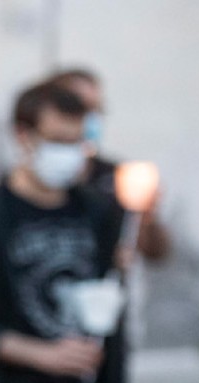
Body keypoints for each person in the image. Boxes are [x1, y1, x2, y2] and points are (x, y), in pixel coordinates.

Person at [0, 82, 125, 383]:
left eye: (77, 142)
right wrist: (42, 355)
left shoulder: (97, 211)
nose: (69, 154)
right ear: (23, 135)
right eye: (58, 141)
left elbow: (115, 283)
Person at [48, 68, 171, 262]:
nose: (90, 118)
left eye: (97, 109)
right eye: (81, 107)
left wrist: (147, 218)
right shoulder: (35, 179)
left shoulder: (118, 178)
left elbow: (156, 253)